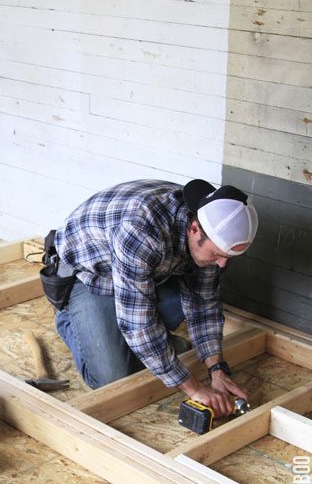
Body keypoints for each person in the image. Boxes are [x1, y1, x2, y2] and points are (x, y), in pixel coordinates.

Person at [42, 178, 258, 417]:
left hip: (143, 273)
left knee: (177, 314)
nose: (222, 263)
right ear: (195, 229)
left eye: (228, 256)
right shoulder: (141, 228)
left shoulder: (207, 228)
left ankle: (137, 344)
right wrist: (193, 388)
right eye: (217, 254)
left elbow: (204, 305)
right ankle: (68, 319)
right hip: (88, 276)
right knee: (111, 379)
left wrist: (217, 370)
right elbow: (138, 323)